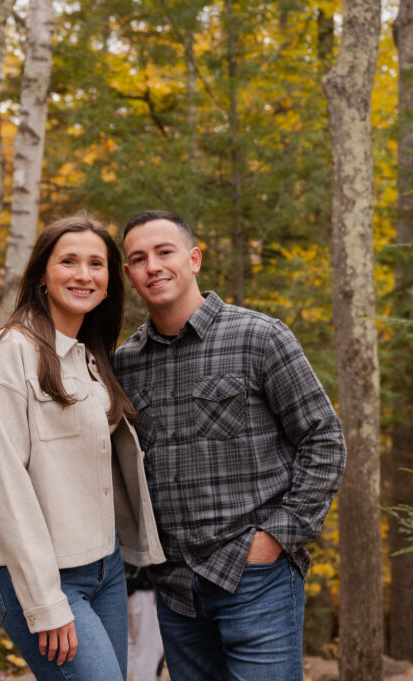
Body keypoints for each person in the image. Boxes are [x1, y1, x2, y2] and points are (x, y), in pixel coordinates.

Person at [114, 210, 347, 681]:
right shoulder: (125, 365)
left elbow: (323, 439)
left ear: (194, 259)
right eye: (138, 259)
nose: (152, 266)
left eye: (165, 252)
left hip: (255, 579)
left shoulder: (260, 337)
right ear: (129, 276)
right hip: (176, 590)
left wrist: (277, 537)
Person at [0, 214, 164, 681]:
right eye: (68, 261)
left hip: (106, 570)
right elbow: (4, 486)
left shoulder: (90, 359)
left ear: (110, 282)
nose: (83, 274)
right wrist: (46, 602)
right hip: (46, 579)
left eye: (96, 263)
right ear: (42, 275)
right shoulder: (7, 355)